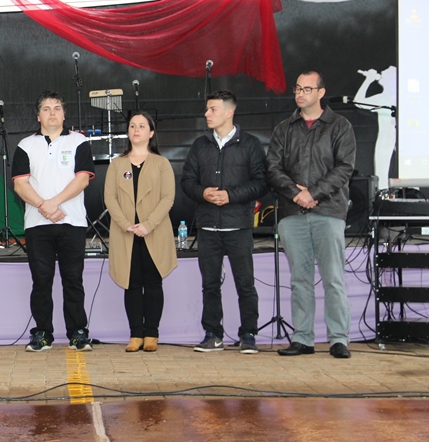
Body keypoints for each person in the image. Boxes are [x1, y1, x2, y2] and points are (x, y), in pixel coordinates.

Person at [267, 71, 356, 359]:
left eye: (307, 89)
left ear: (321, 92)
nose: (300, 94)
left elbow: (344, 168)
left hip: (328, 210)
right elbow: (272, 168)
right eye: (297, 88)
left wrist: (313, 193)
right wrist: (296, 193)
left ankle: (338, 339)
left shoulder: (339, 125)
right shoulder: (284, 128)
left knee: (333, 278)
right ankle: (303, 338)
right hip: (292, 212)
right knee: (299, 280)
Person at [181, 91, 267, 354]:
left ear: (229, 112)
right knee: (209, 284)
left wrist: (231, 195)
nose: (207, 114)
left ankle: (248, 335)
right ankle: (212, 334)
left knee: (245, 283)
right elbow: (187, 181)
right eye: (207, 109)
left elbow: (261, 183)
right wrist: (202, 193)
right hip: (208, 227)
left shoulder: (250, 144)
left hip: (238, 226)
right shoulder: (200, 145)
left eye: (213, 109)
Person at [12, 91, 95, 352]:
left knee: (73, 279)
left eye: (57, 108)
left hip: (72, 222)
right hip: (38, 225)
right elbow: (20, 185)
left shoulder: (79, 141)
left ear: (64, 114)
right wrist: (44, 207)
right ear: (38, 116)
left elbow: (82, 179)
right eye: (46, 109)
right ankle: (43, 333)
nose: (52, 113)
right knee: (41, 280)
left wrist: (53, 203)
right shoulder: (25, 145)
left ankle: (78, 332)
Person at [105, 111, 177, 352]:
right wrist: (126, 224)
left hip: (153, 232)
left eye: (142, 126)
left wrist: (148, 224)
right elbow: (110, 198)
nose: (136, 130)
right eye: (133, 126)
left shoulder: (162, 164)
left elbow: (168, 198)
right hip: (125, 233)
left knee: (153, 283)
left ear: (151, 132)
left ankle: (152, 334)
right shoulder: (117, 165)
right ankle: (135, 334)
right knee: (131, 283)